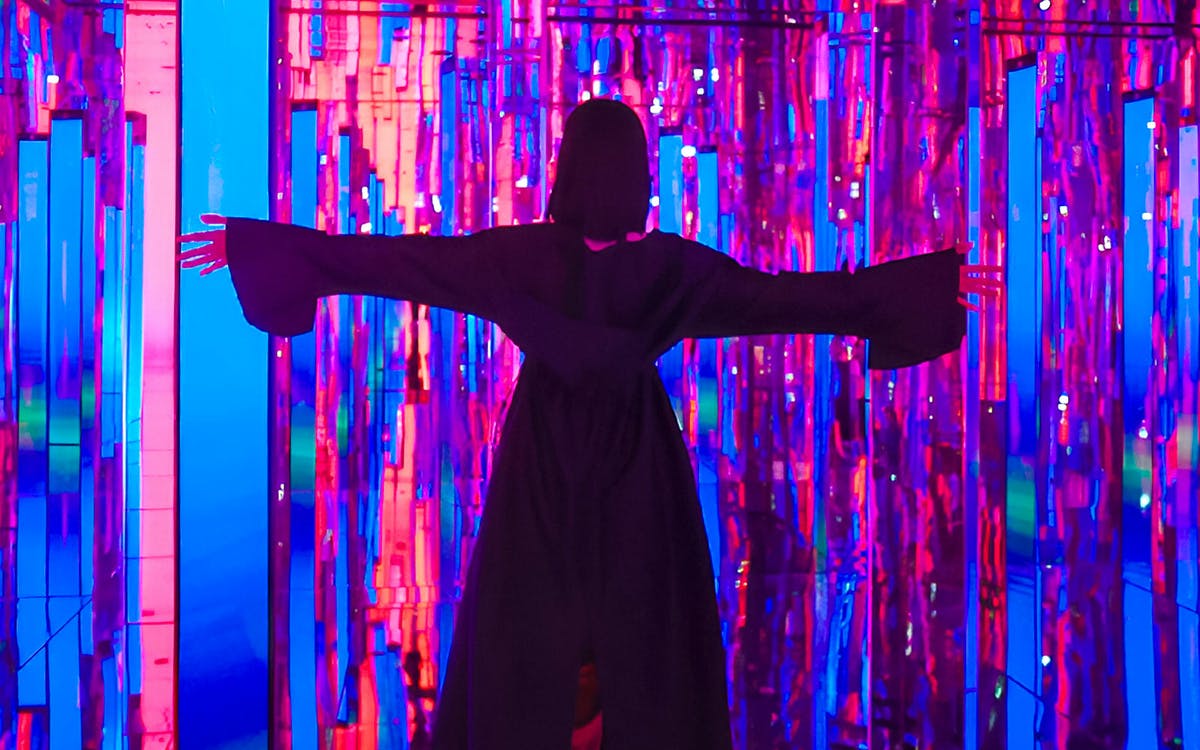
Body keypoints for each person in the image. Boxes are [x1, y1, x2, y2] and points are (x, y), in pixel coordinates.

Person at [179, 98, 1000, 750]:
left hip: (543, 461)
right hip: (637, 463)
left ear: (566, 169)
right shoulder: (670, 271)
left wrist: (260, 248)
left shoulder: (519, 259)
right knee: (646, 639)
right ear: (639, 175)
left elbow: (396, 261)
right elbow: (798, 299)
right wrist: (926, 290)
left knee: (526, 637)